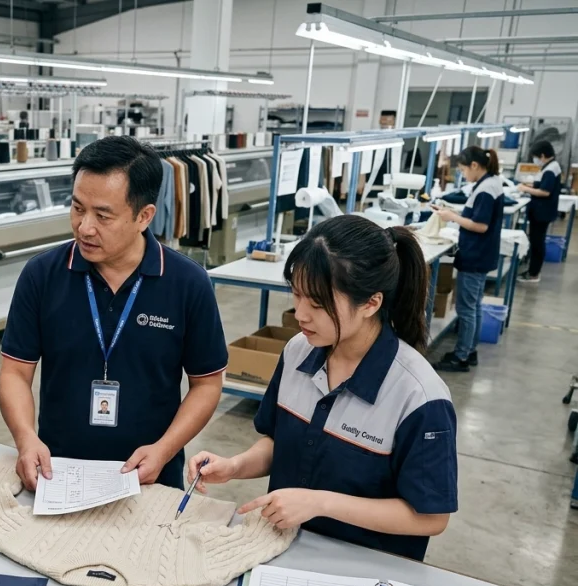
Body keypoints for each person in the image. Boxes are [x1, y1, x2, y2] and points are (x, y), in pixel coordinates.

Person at [188, 216, 458, 562]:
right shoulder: (298, 351)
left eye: (317, 304)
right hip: (283, 549)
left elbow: (430, 518)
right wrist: (235, 466)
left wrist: (319, 503)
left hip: (366, 571)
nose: (300, 314)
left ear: (371, 303)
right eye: (297, 295)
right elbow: (278, 441)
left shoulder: (418, 396)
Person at [0, 136, 228, 491]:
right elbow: (15, 372)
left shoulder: (187, 283)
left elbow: (207, 383)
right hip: (58, 473)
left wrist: (164, 450)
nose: (85, 227)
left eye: (103, 215)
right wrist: (26, 438)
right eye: (77, 208)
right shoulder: (42, 275)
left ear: (144, 216)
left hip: (150, 476)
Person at [433, 146, 504, 372]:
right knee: (474, 306)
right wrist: (455, 212)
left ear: (474, 166)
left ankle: (461, 357)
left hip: (475, 255)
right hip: (481, 254)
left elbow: (481, 226)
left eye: (463, 170)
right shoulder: (490, 183)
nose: (463, 174)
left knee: (466, 308)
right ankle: (469, 350)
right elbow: (477, 216)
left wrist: (451, 216)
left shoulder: (486, 189)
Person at [516, 140, 562, 285]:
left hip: (542, 212)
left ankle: (534, 273)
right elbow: (541, 185)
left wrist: (525, 189)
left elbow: (545, 192)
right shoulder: (551, 167)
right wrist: (529, 185)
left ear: (542, 155)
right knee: (536, 240)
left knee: (537, 242)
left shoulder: (550, 169)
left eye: (536, 157)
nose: (535, 160)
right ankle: (532, 270)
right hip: (542, 211)